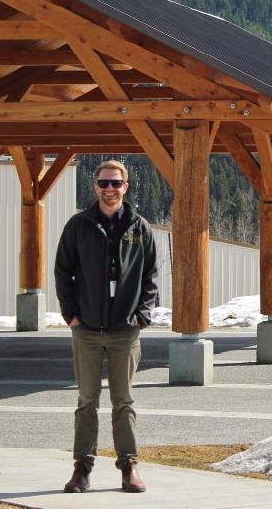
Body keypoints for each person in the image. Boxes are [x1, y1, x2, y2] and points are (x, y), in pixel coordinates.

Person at [55, 159, 158, 493]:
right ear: (95, 186)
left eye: (116, 183)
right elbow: (63, 272)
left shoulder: (140, 228)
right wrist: (71, 314)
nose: (109, 189)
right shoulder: (78, 226)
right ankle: (82, 468)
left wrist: (142, 315)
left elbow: (151, 277)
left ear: (126, 187)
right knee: (86, 401)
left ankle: (129, 466)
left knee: (123, 401)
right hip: (86, 329)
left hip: (125, 330)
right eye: (104, 183)